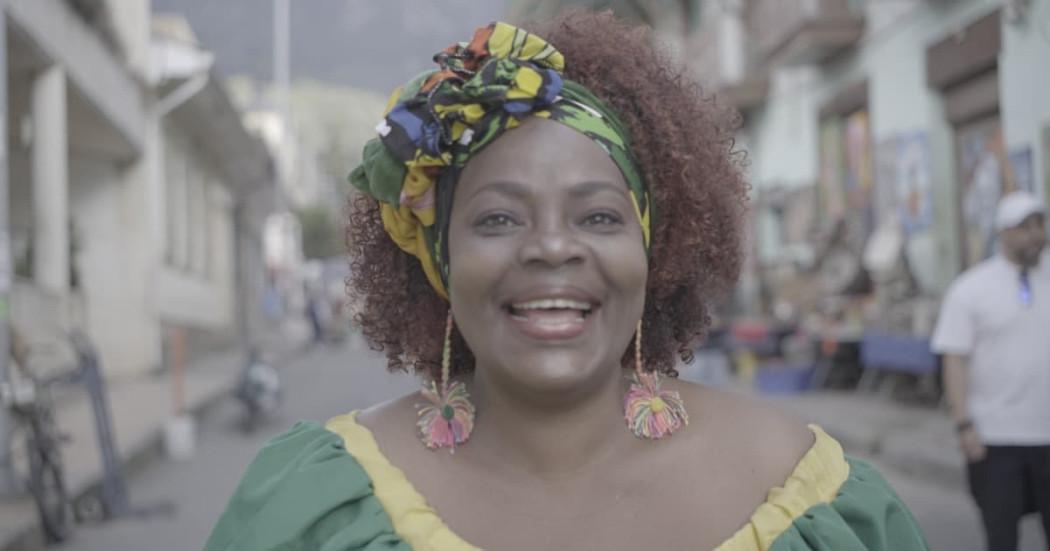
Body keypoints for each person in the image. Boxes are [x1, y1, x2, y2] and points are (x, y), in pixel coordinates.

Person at [205, 12, 927, 550]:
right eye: (496, 219)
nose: (552, 246)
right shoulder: (314, 510)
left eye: (600, 217)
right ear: (438, 258)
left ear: (655, 247)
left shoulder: (816, 499)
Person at [932, 190, 1050, 551]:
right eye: (1023, 227)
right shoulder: (971, 290)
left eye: (1039, 224)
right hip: (997, 439)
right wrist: (963, 424)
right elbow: (954, 359)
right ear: (1003, 233)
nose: (1034, 235)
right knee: (1002, 537)